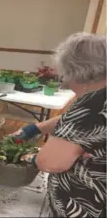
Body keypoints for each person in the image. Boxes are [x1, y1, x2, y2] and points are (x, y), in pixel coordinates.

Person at [15, 32, 106, 217]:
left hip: (88, 205)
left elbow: (50, 163)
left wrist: (31, 157)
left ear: (79, 72)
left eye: (66, 75)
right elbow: (76, 124)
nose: (66, 82)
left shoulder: (92, 104)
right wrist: (35, 128)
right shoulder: (100, 99)